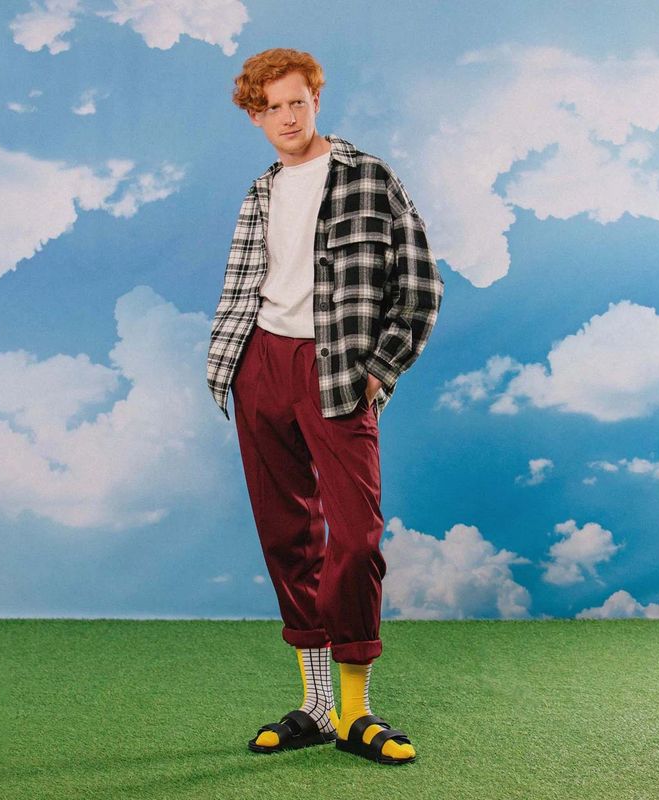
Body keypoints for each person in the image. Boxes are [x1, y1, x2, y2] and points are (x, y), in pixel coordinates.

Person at [207, 47, 444, 765]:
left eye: (296, 102)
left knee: (356, 539)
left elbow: (421, 284)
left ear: (316, 100)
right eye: (271, 107)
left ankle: (356, 713)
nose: (287, 117)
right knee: (288, 536)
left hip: (337, 368)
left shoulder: (369, 177)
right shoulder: (259, 191)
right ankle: (316, 706)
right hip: (260, 364)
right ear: (255, 117)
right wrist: (235, 366)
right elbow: (245, 284)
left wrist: (382, 368)